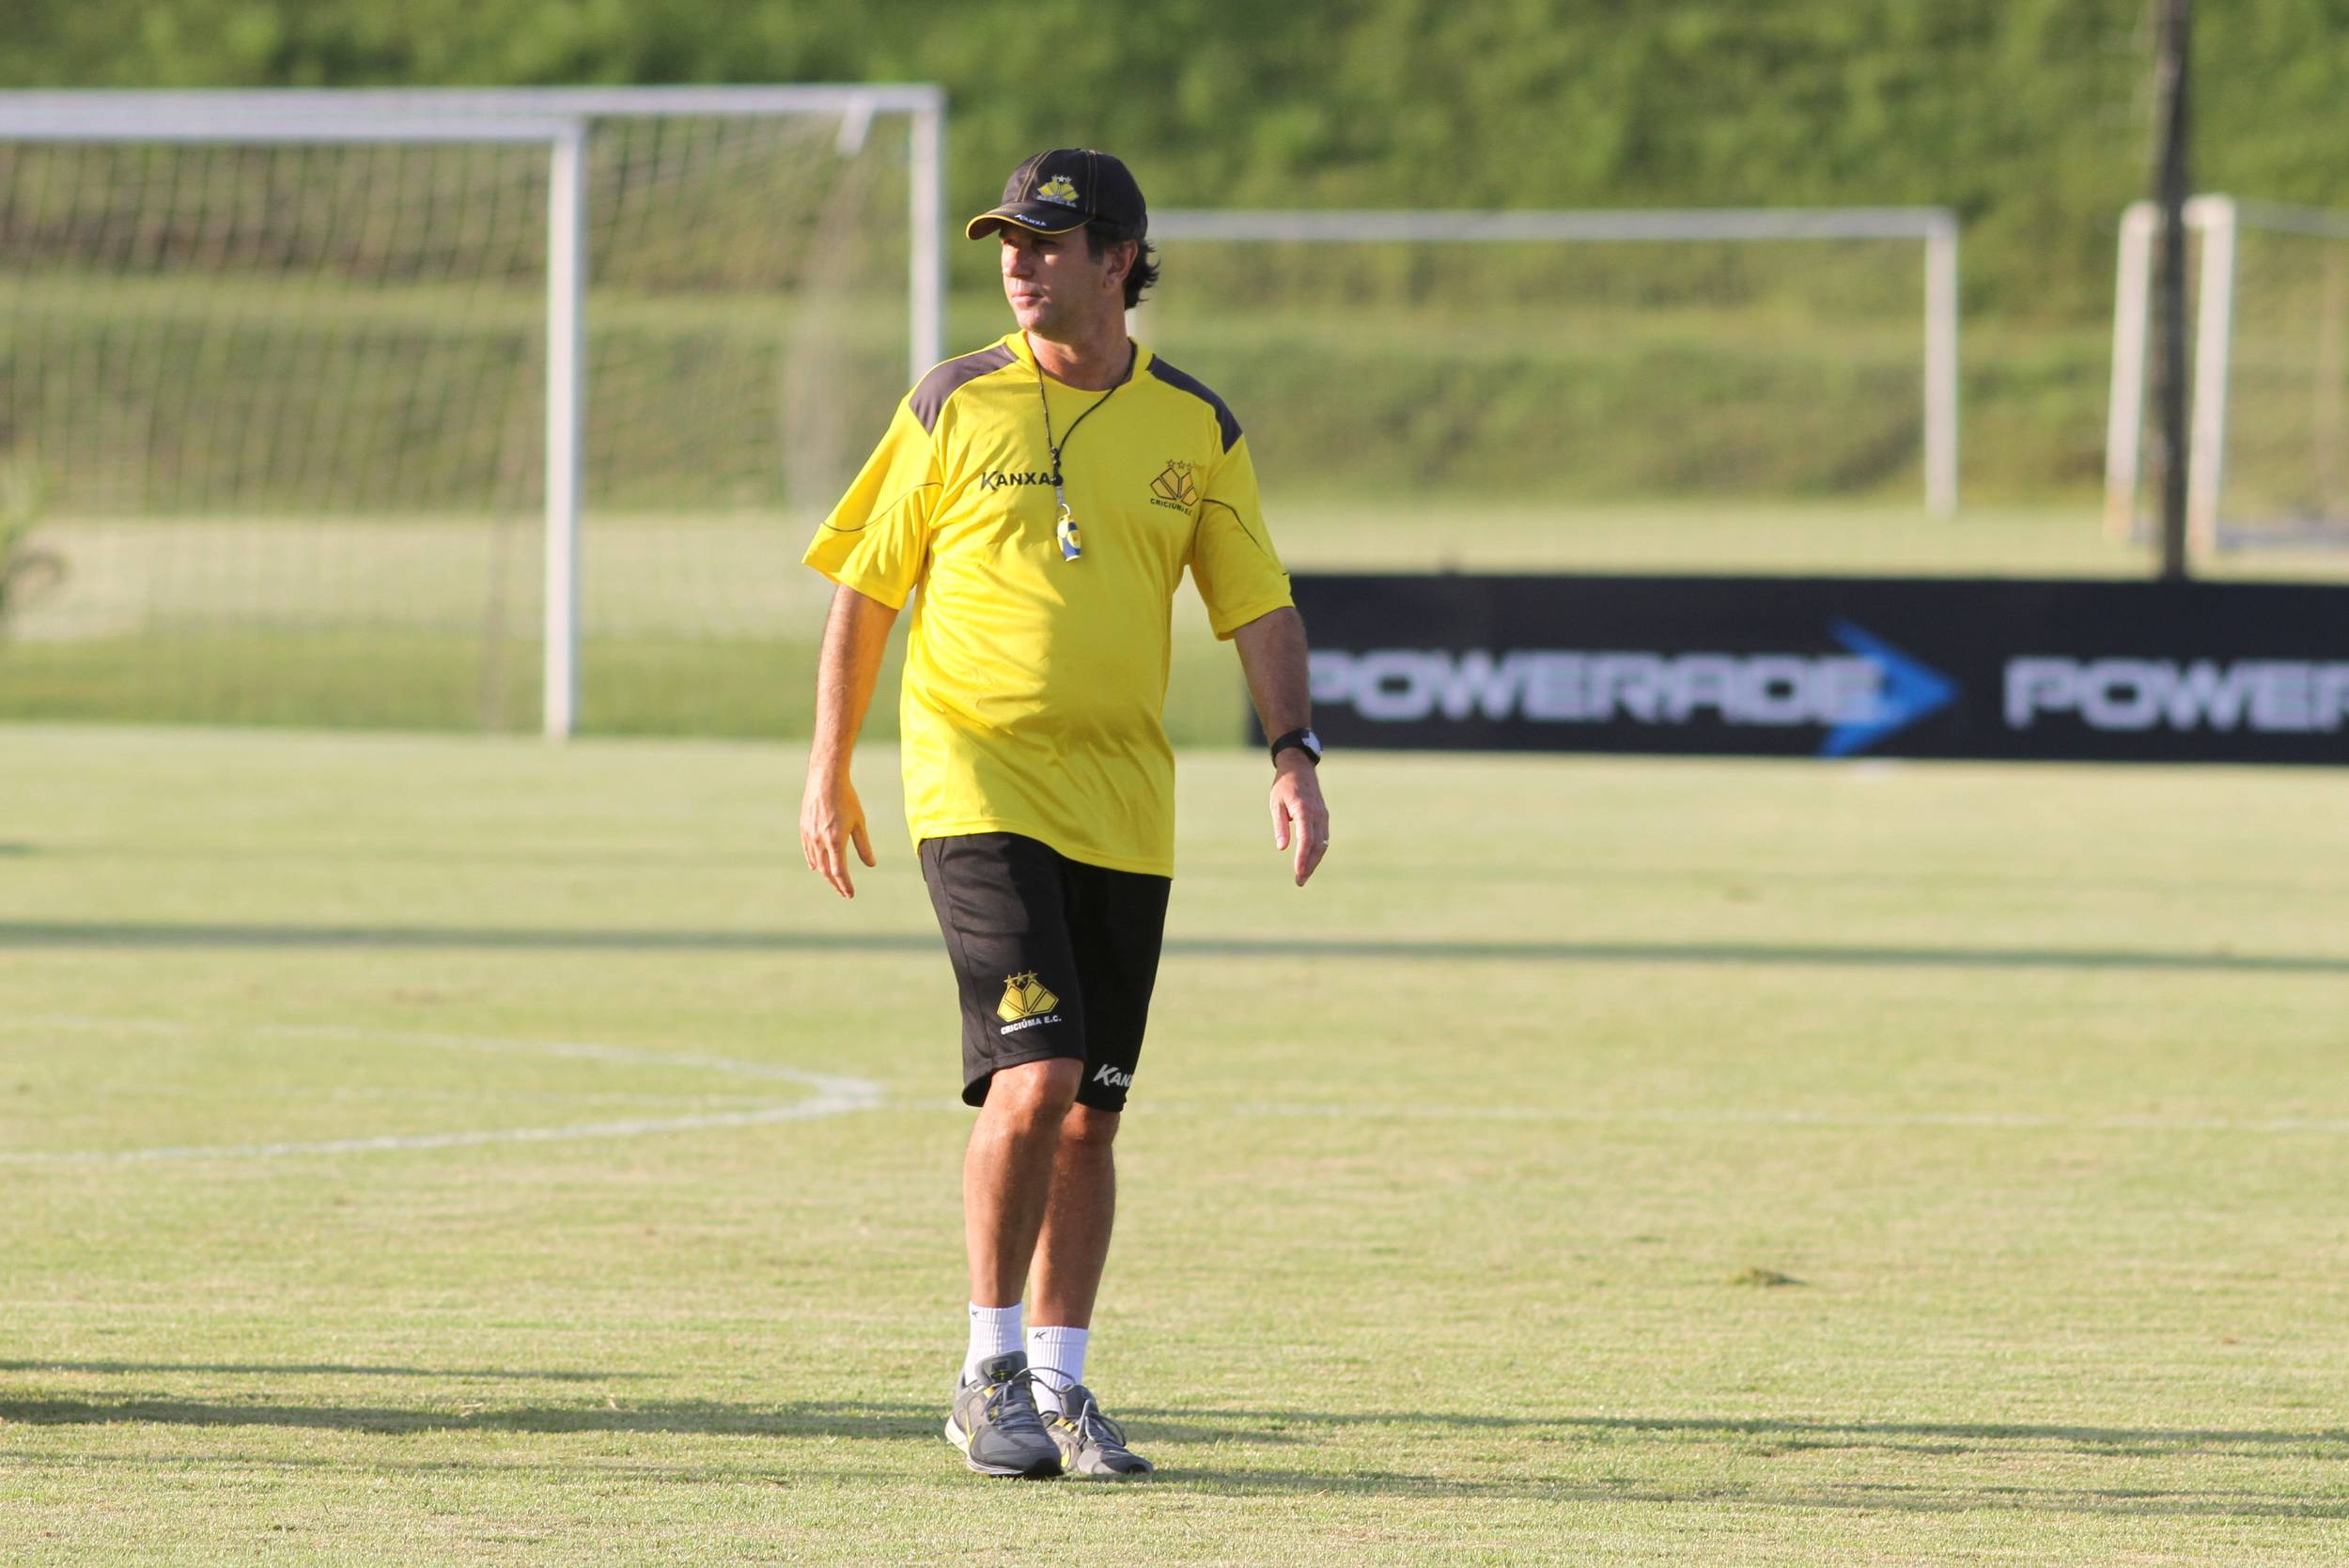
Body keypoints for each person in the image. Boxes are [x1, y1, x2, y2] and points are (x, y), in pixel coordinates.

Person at [797, 147, 1330, 1480]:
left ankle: (1060, 1381)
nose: (1021, 264)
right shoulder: (952, 401)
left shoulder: (1195, 426)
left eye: (1047, 241)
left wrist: (1293, 753)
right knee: (1033, 1074)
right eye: (1008, 243)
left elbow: (1257, 603)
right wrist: (828, 763)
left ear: (1120, 260)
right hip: (975, 780)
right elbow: (867, 588)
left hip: (1125, 807)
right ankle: (984, 1373)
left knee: (1092, 1110)